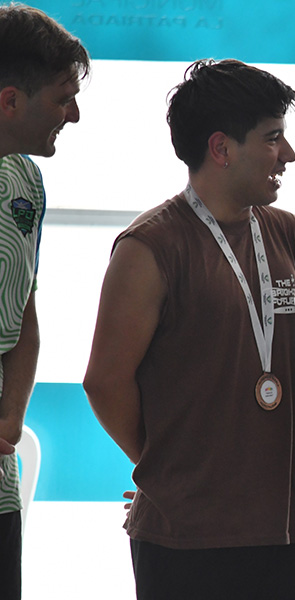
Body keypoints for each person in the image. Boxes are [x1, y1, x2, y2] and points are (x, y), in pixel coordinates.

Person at [83, 59, 295, 600]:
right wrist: (165, 468)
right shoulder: (150, 247)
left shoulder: (289, 233)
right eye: (273, 138)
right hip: (186, 538)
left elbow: (264, 354)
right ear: (221, 148)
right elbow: (104, 382)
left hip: (285, 529)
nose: (288, 154)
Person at [0, 5, 88, 598]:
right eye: (63, 99)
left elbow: (24, 312)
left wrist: (11, 420)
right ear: (10, 101)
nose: (73, 115)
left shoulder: (26, 182)